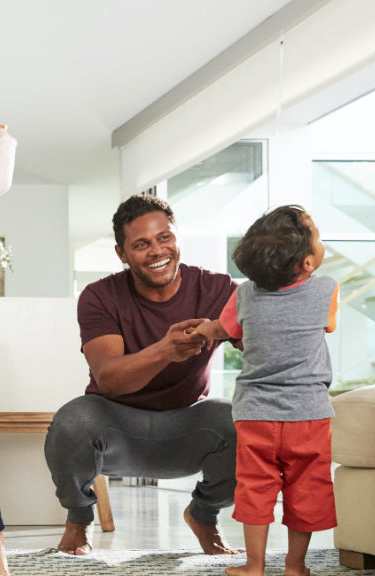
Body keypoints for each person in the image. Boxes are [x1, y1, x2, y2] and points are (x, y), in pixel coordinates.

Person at [44, 194, 241, 556]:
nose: (156, 250)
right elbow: (109, 378)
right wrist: (165, 350)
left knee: (238, 418)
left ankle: (204, 515)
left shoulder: (218, 289)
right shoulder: (99, 297)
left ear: (176, 237)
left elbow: (261, 341)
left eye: (164, 237)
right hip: (116, 431)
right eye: (141, 244)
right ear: (122, 253)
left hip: (186, 428)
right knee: (73, 419)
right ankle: (79, 520)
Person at [193, 205, 339, 576]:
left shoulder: (244, 296)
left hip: (255, 414)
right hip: (308, 414)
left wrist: (202, 331)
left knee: (255, 488)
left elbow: (224, 331)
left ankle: (254, 566)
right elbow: (329, 326)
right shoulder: (326, 289)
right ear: (307, 263)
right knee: (306, 487)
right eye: (318, 237)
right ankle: (295, 566)